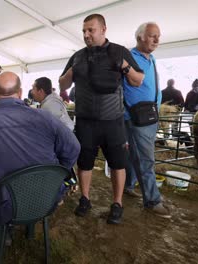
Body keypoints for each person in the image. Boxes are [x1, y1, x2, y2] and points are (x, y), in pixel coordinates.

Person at [0, 71, 80, 226]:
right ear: (20, 93)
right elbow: (74, 148)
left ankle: (6, 232)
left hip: (2, 206)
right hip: (45, 199)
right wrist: (56, 173)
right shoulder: (45, 117)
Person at [58, 14, 144, 224]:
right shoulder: (78, 56)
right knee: (84, 163)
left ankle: (117, 204)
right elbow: (62, 85)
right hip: (86, 120)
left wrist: (124, 65)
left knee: (118, 163)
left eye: (91, 30)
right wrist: (71, 71)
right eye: (84, 31)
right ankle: (85, 199)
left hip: (112, 120)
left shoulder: (119, 51)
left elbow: (138, 81)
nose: (86, 34)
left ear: (103, 29)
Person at [123, 22, 170, 218]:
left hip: (151, 116)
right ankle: (152, 200)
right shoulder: (127, 57)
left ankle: (129, 185)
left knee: (138, 156)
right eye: (152, 36)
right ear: (140, 37)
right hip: (136, 118)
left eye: (158, 36)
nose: (157, 39)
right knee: (146, 159)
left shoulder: (152, 59)